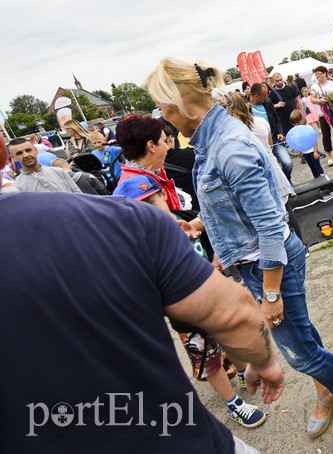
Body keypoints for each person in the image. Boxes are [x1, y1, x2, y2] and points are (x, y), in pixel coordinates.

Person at [144, 57, 333, 454]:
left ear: (182, 103)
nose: (162, 117)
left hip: (270, 264)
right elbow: (235, 203)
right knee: (303, 337)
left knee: (300, 353)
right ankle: (326, 392)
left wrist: (270, 294)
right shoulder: (212, 139)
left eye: (163, 107)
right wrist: (200, 224)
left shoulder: (228, 145)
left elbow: (269, 224)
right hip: (259, 261)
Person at [0, 135, 285, 452]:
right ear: (4, 155)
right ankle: (232, 401)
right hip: (176, 435)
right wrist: (263, 361)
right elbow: (235, 316)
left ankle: (237, 373)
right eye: (164, 139)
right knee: (206, 352)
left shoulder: (134, 209)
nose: (170, 145)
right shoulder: (123, 217)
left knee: (214, 344)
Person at [112, 173, 268, 429]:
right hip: (187, 318)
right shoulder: (140, 247)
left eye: (150, 202)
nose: (147, 213)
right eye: (136, 210)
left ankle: (243, 372)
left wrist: (216, 260)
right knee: (209, 361)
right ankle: (232, 403)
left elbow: (212, 239)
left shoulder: (185, 219)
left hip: (216, 298)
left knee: (230, 340)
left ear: (163, 195)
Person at [116, 114, 185, 211]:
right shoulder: (138, 189)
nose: (167, 147)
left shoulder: (152, 172)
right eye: (164, 141)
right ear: (151, 146)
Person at [249, 82, 293, 182]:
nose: (266, 97)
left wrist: (280, 132)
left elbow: (276, 119)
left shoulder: (267, 102)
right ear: (256, 96)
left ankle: (286, 180)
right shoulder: (246, 108)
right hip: (259, 144)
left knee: (288, 164)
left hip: (274, 139)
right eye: (264, 95)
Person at [6, 138, 81, 193]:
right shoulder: (18, 187)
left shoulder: (59, 172)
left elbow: (78, 195)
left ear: (36, 150)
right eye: (19, 153)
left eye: (28, 150)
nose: (26, 155)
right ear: (13, 158)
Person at [310, 66, 333, 166]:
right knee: (326, 135)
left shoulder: (331, 83)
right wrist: (319, 101)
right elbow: (312, 99)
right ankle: (329, 157)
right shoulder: (314, 86)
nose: (318, 76)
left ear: (325, 74)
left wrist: (327, 99)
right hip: (322, 114)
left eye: (319, 73)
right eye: (316, 74)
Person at [289, 110, 325, 178]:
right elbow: (300, 142)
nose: (296, 125)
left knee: (317, 166)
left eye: (297, 123)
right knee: (312, 168)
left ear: (302, 119)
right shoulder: (297, 130)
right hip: (305, 152)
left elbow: (314, 140)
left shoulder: (308, 128)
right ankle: (317, 179)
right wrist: (300, 151)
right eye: (295, 124)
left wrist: (315, 151)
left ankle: (323, 177)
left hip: (312, 151)